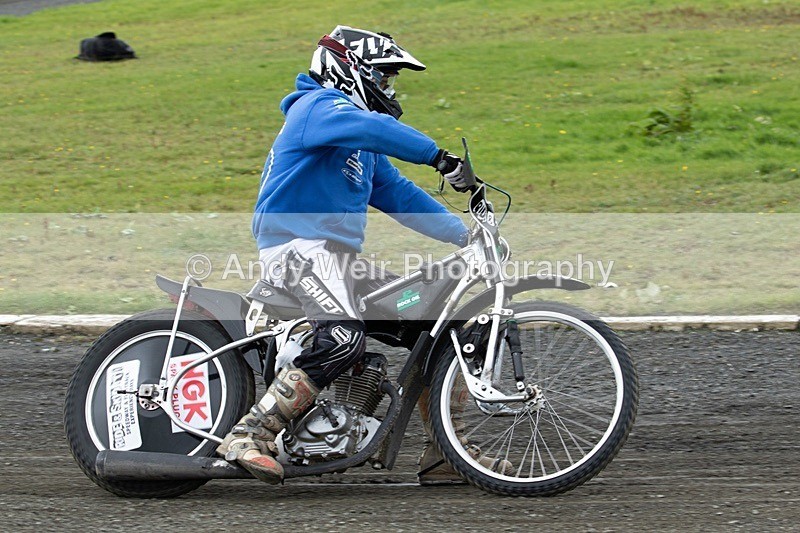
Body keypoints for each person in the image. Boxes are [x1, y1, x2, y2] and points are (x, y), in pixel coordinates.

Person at [216, 25, 476, 485]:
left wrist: (464, 236)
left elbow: (398, 194)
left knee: (434, 321)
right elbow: (374, 126)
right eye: (383, 76)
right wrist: (439, 157)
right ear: (349, 68)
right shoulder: (316, 108)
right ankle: (249, 434)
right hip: (297, 249)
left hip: (337, 262)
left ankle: (445, 455)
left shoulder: (358, 143)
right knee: (340, 336)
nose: (389, 88)